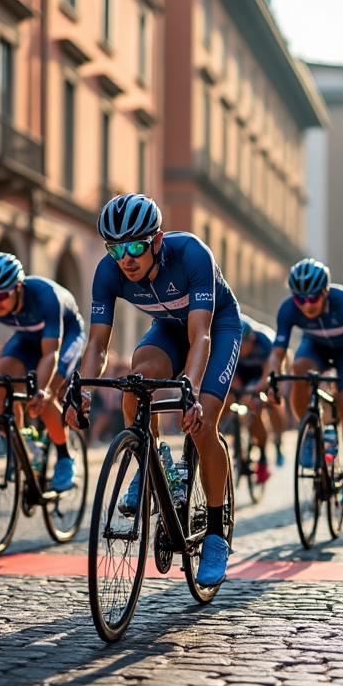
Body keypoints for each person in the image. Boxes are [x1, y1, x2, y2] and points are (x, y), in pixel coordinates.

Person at [67, 194, 240, 586]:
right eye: (115, 248)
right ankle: (152, 457)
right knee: (136, 382)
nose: (125, 258)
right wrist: (85, 393)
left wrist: (191, 390)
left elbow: (201, 337)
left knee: (203, 424)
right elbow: (97, 345)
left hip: (214, 328)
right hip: (166, 329)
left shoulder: (191, 254)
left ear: (157, 241)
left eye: (134, 246)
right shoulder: (109, 272)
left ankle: (214, 533)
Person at [0, 253, 85, 492]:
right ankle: (22, 447)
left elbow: (50, 354)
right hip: (26, 339)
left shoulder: (46, 297)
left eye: (2, 296)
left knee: (43, 397)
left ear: (18, 287)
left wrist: (44, 391)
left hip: (64, 339)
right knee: (2, 380)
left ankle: (65, 457)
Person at [264, 258, 343, 506]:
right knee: (298, 369)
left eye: (312, 298)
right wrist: (273, 381)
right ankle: (311, 431)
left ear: (325, 292)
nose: (306, 305)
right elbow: (276, 354)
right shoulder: (288, 309)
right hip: (315, 349)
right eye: (300, 299)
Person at [232, 315, 282, 483]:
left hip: (261, 376)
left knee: (257, 406)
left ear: (251, 339)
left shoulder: (265, 342)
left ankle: (263, 456)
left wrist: (255, 391)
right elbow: (230, 374)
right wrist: (239, 390)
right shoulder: (231, 346)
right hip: (243, 376)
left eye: (242, 344)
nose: (239, 349)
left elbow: (268, 374)